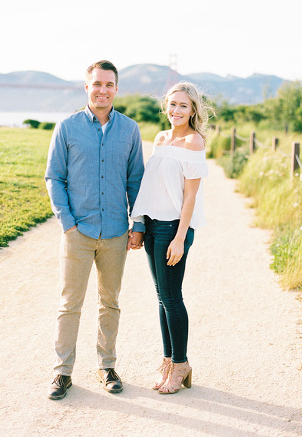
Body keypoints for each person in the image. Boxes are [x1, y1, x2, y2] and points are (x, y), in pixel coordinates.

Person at [44, 60, 145, 400]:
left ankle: (106, 366)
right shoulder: (67, 127)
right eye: (97, 83)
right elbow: (54, 177)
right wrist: (67, 222)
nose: (103, 89)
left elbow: (135, 180)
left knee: (110, 302)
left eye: (109, 84)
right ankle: (62, 372)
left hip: (116, 232)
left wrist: (138, 224)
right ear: (86, 87)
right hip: (78, 233)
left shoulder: (130, 130)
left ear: (116, 89)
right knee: (70, 303)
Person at [130, 82, 211, 394]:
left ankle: (181, 365)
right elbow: (150, 186)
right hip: (152, 226)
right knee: (162, 298)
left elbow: (190, 197)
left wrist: (180, 238)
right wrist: (138, 223)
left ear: (193, 111)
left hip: (173, 229)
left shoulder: (194, 142)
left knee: (172, 297)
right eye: (173, 104)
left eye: (183, 106)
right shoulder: (161, 138)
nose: (177, 111)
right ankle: (168, 360)